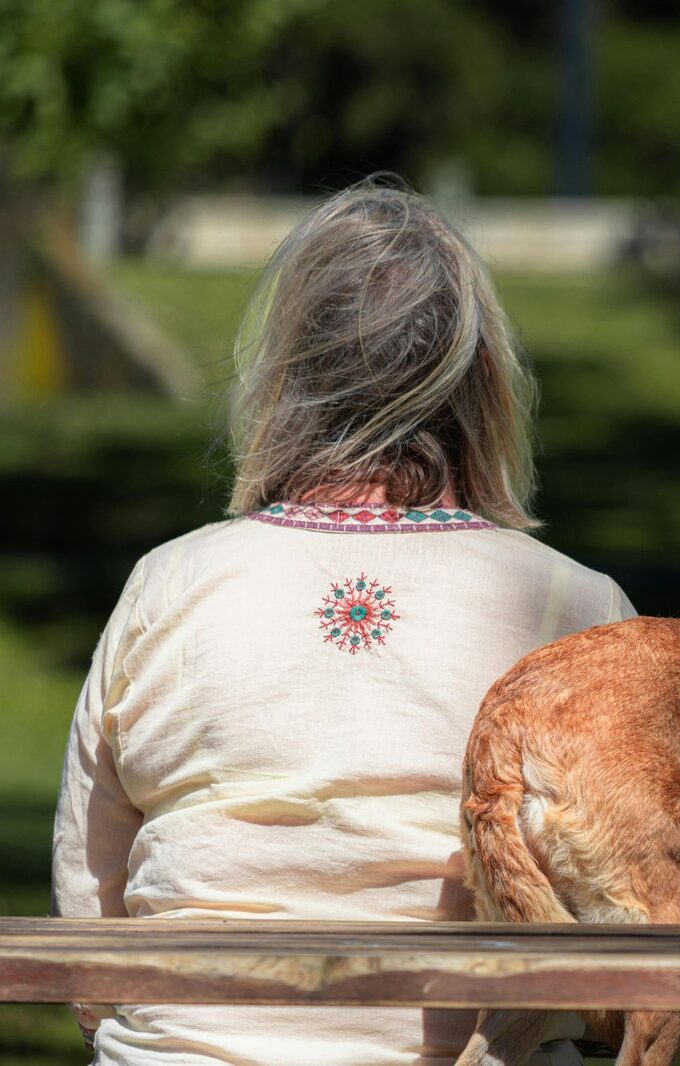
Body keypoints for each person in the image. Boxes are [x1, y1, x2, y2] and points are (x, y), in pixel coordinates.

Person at [50, 181, 632, 1065]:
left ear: (287, 374)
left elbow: (89, 882)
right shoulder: (580, 614)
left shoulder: (168, 585)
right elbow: (630, 924)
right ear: (482, 381)